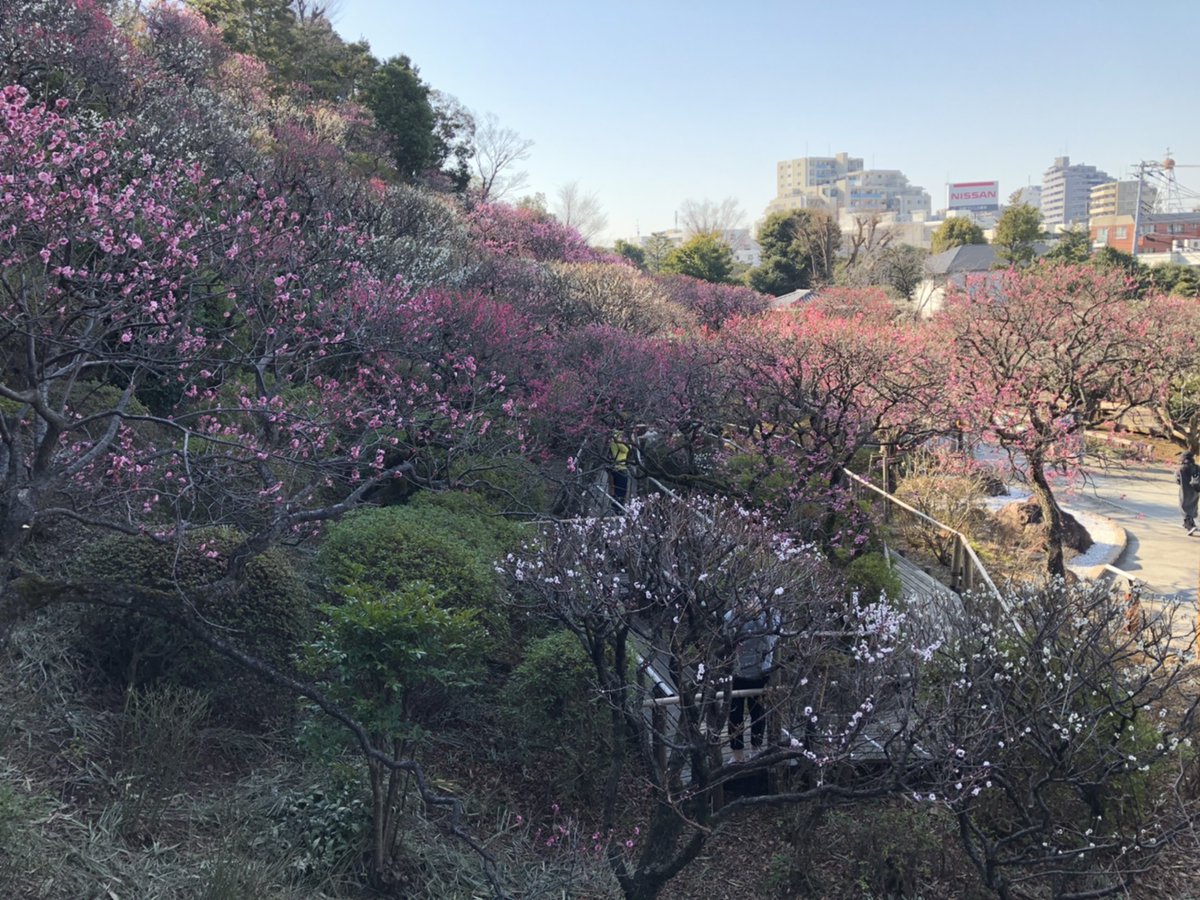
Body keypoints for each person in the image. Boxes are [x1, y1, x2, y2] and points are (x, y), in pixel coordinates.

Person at [727, 605, 779, 763]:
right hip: (738, 670)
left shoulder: (773, 613)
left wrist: (757, 618)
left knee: (757, 711)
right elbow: (726, 627)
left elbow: (770, 638)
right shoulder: (737, 611)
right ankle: (737, 753)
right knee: (734, 713)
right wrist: (739, 614)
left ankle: (756, 748)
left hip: (760, 671)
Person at [1176, 450, 1200, 535]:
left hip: (1184, 490)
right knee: (1192, 506)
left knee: (1184, 507)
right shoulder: (1197, 467)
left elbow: (1177, 480)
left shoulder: (1181, 468)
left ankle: (1190, 526)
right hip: (1195, 490)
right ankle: (1187, 523)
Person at [608, 430, 631, 512]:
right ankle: (618, 508)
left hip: (615, 468)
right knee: (621, 490)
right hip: (620, 468)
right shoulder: (617, 441)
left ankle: (616, 507)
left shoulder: (612, 441)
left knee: (617, 489)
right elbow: (626, 450)